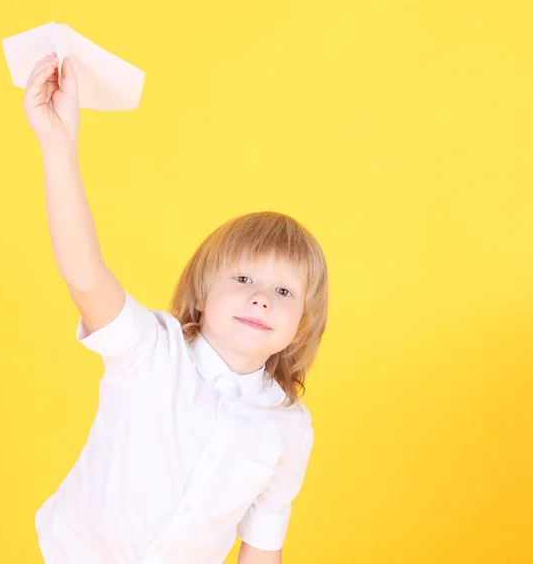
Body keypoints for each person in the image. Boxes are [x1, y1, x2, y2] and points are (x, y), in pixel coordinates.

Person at [24, 53, 329, 564]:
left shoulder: (290, 427)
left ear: (302, 324)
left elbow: (262, 545)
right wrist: (59, 145)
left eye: (284, 293)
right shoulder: (150, 349)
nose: (261, 297)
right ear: (202, 294)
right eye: (244, 278)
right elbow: (84, 272)